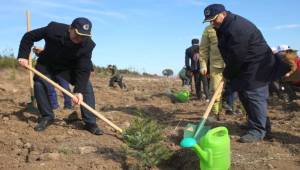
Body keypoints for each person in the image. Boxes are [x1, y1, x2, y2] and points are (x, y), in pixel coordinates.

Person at [202, 4, 290, 142]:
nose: (212, 23)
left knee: (254, 97)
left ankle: (258, 131)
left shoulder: (237, 28)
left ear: (223, 14)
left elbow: (237, 55)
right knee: (244, 96)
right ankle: (256, 124)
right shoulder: (225, 26)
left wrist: (228, 73)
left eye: (214, 19)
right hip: (244, 67)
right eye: (209, 21)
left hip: (257, 67)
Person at [18, 17, 103, 135]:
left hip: (68, 68)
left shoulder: (87, 44)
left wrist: (78, 91)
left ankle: (90, 122)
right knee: (39, 84)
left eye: (83, 36)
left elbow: (83, 68)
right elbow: (29, 36)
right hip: (47, 64)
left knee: (85, 86)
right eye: (77, 34)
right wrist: (23, 55)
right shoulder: (53, 29)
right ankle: (47, 116)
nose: (80, 39)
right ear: (70, 28)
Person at [199, 25, 225, 119]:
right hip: (216, 65)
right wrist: (203, 65)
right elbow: (203, 49)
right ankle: (216, 114)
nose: (212, 21)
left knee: (245, 92)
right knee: (214, 91)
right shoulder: (208, 29)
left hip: (234, 65)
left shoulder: (233, 26)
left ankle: (249, 118)